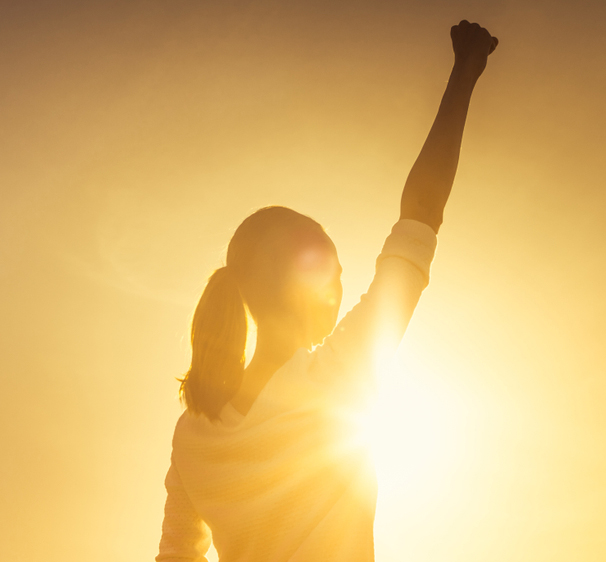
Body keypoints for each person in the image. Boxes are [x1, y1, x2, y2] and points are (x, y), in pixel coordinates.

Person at [156, 20, 499, 562]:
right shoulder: (337, 376)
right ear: (309, 285)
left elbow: (176, 555)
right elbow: (420, 216)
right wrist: (465, 73)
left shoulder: (193, 435)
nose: (342, 285)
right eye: (334, 272)